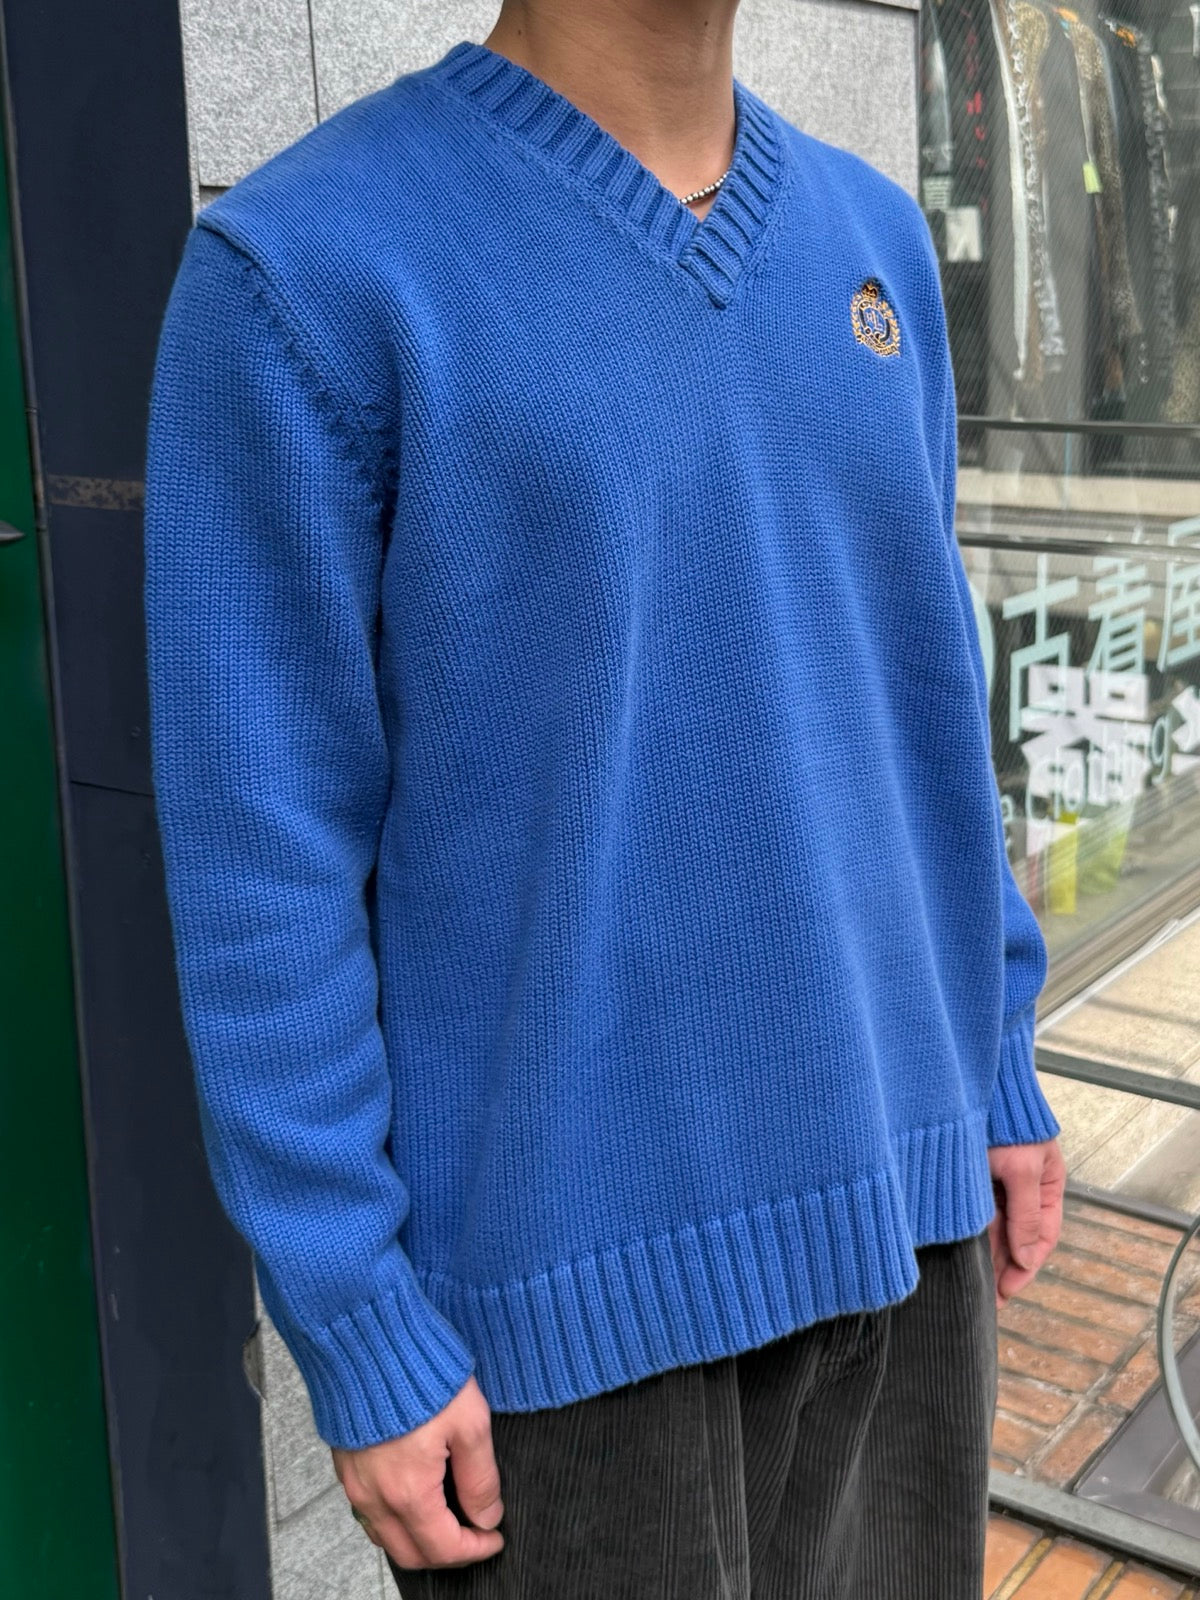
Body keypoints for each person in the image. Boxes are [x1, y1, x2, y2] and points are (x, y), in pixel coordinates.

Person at [142, 0, 1068, 1594]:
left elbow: (919, 701)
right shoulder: (304, 272)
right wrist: (356, 1315)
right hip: (566, 1324)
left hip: (907, 1216)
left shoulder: (874, 238)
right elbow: (260, 864)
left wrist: (995, 1059)